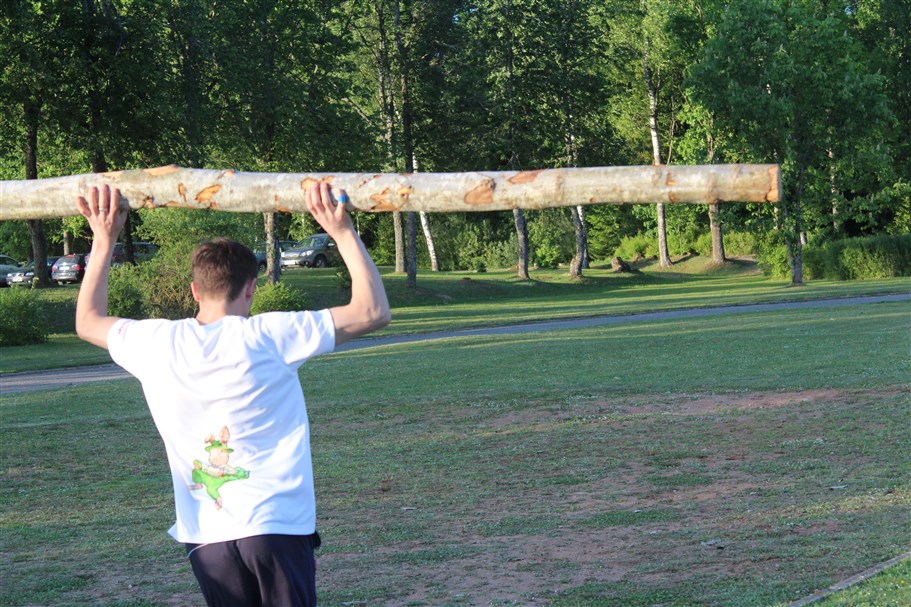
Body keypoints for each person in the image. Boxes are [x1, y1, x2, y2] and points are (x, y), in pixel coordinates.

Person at [75, 182, 390, 607]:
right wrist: (342, 231)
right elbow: (373, 311)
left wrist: (104, 238)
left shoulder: (155, 342)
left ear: (194, 290)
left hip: (207, 538)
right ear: (250, 288)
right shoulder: (270, 334)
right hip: (276, 526)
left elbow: (87, 321)